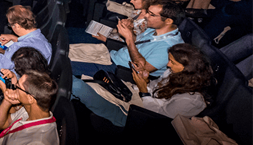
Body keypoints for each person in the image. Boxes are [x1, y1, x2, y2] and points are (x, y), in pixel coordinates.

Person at [71, 43, 212, 127]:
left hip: (135, 116)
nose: (168, 65)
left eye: (173, 62)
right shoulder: (173, 73)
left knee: (77, 86)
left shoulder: (192, 99)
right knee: (88, 82)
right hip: (134, 97)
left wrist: (143, 90)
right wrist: (144, 80)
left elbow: (159, 120)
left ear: (188, 68)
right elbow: (154, 87)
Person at [72, 1, 184, 78]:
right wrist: (129, 31)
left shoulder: (169, 47)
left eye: (152, 15)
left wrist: (129, 38)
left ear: (168, 21)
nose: (146, 17)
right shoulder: (156, 28)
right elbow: (138, 42)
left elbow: (142, 69)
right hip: (112, 55)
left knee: (68, 65)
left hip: (118, 69)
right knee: (68, 49)